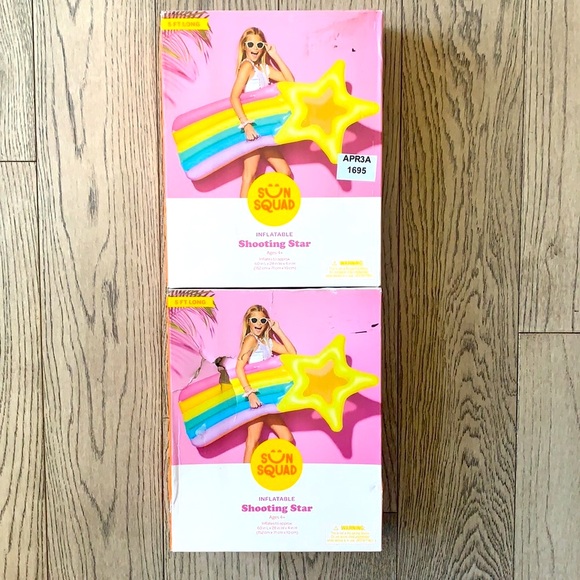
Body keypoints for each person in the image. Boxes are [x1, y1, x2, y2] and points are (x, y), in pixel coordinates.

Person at [230, 27, 294, 198]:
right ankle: (240, 213)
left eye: (259, 45)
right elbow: (234, 97)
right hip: (253, 129)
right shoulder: (247, 66)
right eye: (250, 44)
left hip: (265, 130)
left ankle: (263, 203)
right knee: (249, 176)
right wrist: (246, 125)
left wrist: (275, 55)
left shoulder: (264, 68)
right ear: (244, 46)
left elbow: (290, 81)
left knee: (285, 172)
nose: (255, 48)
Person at [235, 305, 296, 462]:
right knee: (253, 441)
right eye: (254, 320)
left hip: (268, 397)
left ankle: (266, 468)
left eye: (262, 320)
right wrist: (250, 394)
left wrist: (278, 330)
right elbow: (239, 367)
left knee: (287, 439)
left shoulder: (267, 342)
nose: (258, 323)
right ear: (248, 322)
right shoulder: (250, 339)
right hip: (256, 397)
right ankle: (244, 475)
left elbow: (292, 353)